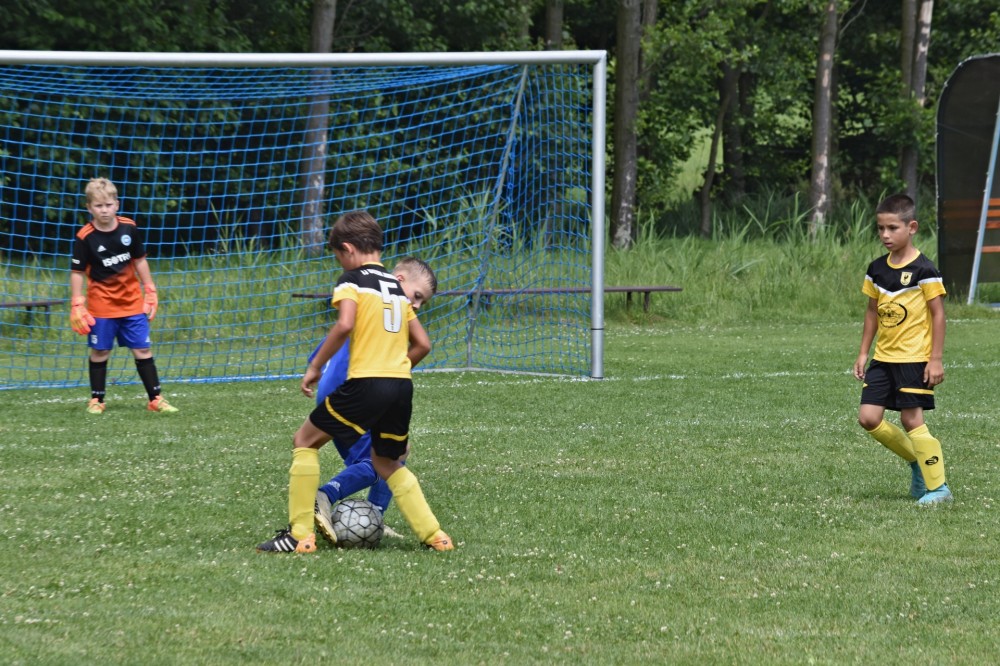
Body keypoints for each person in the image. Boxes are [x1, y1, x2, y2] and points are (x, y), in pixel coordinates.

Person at [257, 210, 453, 553]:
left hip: (366, 384)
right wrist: (396, 367)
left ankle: (300, 536)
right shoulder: (396, 289)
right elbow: (423, 344)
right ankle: (436, 536)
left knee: (304, 441)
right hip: (400, 386)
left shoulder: (352, 280)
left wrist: (315, 365)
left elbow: (345, 324)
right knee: (387, 461)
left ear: (347, 249)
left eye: (338, 256)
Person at [310, 256, 437, 541]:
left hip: (345, 390)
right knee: (381, 460)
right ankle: (324, 496)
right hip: (354, 393)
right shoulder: (385, 308)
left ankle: (374, 516)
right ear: (399, 280)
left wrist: (317, 368)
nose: (417, 305)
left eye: (422, 302)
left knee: (396, 451)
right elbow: (423, 345)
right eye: (417, 296)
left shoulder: (371, 302)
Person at [852, 193, 951, 505]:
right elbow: (872, 312)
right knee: (868, 418)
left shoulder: (924, 270)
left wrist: (935, 359)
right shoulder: (876, 269)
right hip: (883, 358)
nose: (885, 235)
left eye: (892, 228)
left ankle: (939, 488)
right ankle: (917, 462)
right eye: (880, 228)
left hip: (914, 358)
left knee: (911, 421)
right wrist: (863, 352)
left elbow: (938, 315)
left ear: (912, 227)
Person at [69, 177, 178, 414]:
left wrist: (150, 290)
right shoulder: (85, 237)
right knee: (100, 351)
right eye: (98, 206)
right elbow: (77, 272)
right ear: (89, 208)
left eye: (108, 205)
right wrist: (77, 303)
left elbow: (139, 260)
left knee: (142, 350)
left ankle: (156, 399)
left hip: (132, 304)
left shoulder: (129, 227)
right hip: (101, 307)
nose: (104, 210)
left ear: (117, 204)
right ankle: (97, 400)